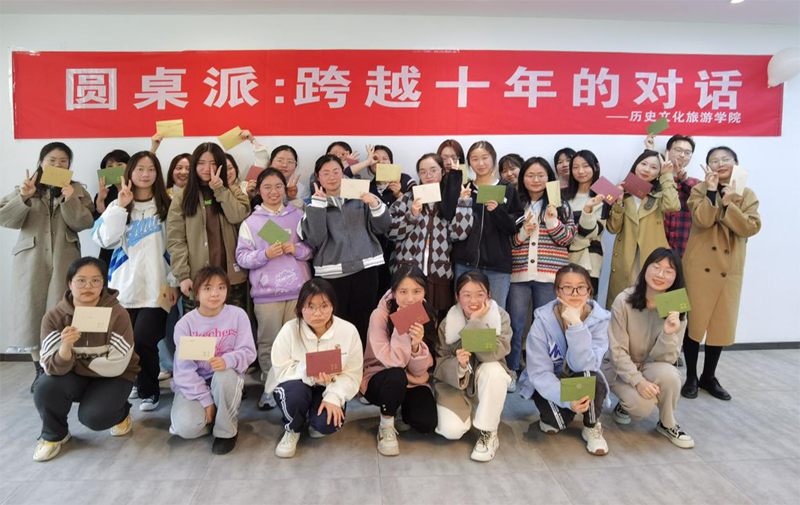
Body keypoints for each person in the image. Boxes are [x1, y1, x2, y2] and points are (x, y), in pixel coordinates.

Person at [0, 142, 94, 392]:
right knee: (30, 311)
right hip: (30, 259)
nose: (57, 164)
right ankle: (39, 370)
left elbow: (84, 222)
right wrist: (24, 197)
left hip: (65, 257)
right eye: (52, 160)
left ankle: (61, 365)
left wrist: (70, 199)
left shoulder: (77, 190)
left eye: (63, 161)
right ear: (41, 162)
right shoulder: (25, 188)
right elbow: (4, 218)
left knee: (62, 311)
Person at [92, 151, 177, 411]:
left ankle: (149, 391)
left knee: (144, 340)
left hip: (158, 287)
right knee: (125, 343)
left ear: (157, 173)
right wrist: (120, 206)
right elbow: (106, 240)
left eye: (151, 169)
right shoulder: (117, 206)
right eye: (140, 168)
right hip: (124, 288)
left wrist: (173, 280)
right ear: (130, 172)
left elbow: (176, 246)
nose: (145, 174)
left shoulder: (167, 205)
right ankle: (133, 383)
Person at [32, 257, 139, 462]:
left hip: (113, 377)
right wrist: (66, 348)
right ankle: (54, 435)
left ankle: (121, 412)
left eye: (95, 281)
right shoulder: (54, 318)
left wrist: (74, 361)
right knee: (45, 387)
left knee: (94, 417)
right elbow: (50, 366)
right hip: (73, 375)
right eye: (81, 281)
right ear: (70, 283)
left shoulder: (118, 314)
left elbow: (117, 363)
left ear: (103, 284)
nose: (88, 286)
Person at [680, 147, 761, 402]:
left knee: (720, 324)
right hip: (698, 267)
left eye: (726, 159)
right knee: (693, 323)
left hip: (729, 270)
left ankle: (709, 376)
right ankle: (691, 376)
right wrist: (713, 192)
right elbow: (702, 220)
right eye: (714, 160)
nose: (720, 163)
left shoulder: (747, 194)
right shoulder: (699, 190)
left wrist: (729, 204)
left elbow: (750, 227)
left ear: (736, 163)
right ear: (708, 167)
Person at [235, 168, 313, 410]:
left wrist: (296, 249)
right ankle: (270, 389)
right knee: (269, 343)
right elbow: (242, 258)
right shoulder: (251, 222)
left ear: (285, 188)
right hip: (266, 295)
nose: (273, 191)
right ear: (259, 191)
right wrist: (264, 254)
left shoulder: (298, 215)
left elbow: (312, 249)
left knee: (298, 341)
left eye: (278, 186)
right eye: (267, 187)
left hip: (298, 292)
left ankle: (295, 387)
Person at [603, 248, 695, 449]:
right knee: (642, 406)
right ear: (646, 268)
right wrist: (639, 382)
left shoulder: (676, 306)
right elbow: (617, 351)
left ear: (676, 277)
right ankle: (624, 405)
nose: (660, 275)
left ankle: (667, 423)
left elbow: (668, 359)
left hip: (651, 365)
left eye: (669, 271)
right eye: (656, 267)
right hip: (618, 367)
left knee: (671, 376)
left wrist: (668, 333)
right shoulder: (624, 300)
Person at [518, 264, 610, 455]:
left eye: (581, 287)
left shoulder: (600, 320)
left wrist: (576, 326)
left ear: (589, 290)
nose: (575, 293)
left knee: (591, 376)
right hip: (551, 381)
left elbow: (587, 365)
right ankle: (560, 413)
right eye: (567, 287)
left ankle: (591, 426)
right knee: (558, 422)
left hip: (581, 378)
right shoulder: (543, 320)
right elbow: (539, 372)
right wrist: (567, 401)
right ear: (557, 291)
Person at [266, 279, 364, 458]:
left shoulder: (348, 331)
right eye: (310, 306)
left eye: (324, 306)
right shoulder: (289, 330)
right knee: (295, 395)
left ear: (333, 306)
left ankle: (312, 418)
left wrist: (334, 396)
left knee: (327, 424)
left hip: (329, 386)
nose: (317, 313)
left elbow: (352, 374)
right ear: (300, 308)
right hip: (296, 385)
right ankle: (292, 428)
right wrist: (308, 372)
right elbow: (281, 369)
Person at [300, 154, 391, 344]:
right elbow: (316, 239)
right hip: (332, 273)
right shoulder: (311, 204)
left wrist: (374, 204)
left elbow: (382, 227)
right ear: (318, 177)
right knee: (335, 324)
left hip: (366, 268)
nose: (332, 177)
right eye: (326, 173)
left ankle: (362, 360)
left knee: (364, 321)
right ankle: (338, 360)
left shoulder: (361, 196)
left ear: (343, 174)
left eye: (336, 171)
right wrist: (318, 207)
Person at [169, 267, 256, 454]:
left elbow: (248, 352)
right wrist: (206, 400)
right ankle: (218, 414)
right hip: (195, 383)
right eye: (208, 288)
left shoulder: (238, 315)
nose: (215, 294)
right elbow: (184, 370)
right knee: (186, 428)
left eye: (221, 288)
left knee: (225, 376)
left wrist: (227, 360)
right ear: (197, 292)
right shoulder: (185, 324)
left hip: (225, 377)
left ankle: (226, 431)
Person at [507, 157, 575, 392]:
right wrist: (523, 234)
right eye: (530, 175)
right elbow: (507, 242)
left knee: (546, 326)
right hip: (519, 274)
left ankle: (543, 371)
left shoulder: (560, 204)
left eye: (540, 175)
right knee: (515, 324)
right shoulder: (516, 204)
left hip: (549, 276)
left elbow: (568, 239)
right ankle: (512, 368)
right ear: (522, 178)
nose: (535, 180)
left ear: (549, 177)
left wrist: (553, 221)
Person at [433, 271, 512, 462]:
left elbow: (492, 354)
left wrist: (475, 322)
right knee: (452, 431)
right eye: (466, 295)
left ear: (489, 295)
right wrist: (459, 366)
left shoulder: (500, 317)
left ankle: (488, 431)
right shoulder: (448, 322)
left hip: (484, 377)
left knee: (494, 370)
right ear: (457, 297)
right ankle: (475, 412)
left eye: (480, 294)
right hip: (454, 384)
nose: (473, 300)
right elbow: (441, 363)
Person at [362, 267, 439, 456]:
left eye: (417, 291)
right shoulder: (379, 315)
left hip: (412, 379)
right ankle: (386, 425)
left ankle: (401, 410)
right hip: (381, 376)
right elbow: (393, 362)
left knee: (426, 423)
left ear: (424, 292)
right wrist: (402, 329)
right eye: (403, 292)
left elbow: (420, 371)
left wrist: (416, 346)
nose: (410, 298)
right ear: (394, 292)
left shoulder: (427, 314)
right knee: (396, 376)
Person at [166, 142, 251, 313]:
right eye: (201, 163)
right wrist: (183, 276)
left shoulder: (233, 191)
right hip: (197, 279)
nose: (207, 169)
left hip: (231, 278)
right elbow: (176, 240)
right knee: (198, 329)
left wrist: (220, 189)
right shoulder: (182, 197)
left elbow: (238, 215)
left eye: (213, 163)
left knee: (232, 327)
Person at [388, 153, 473, 318]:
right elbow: (390, 232)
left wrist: (463, 202)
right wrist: (412, 216)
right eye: (423, 171)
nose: (428, 175)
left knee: (435, 320)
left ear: (442, 172)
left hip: (439, 272)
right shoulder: (407, 199)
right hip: (408, 272)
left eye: (433, 170)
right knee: (407, 322)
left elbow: (459, 234)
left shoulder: (450, 200)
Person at [450, 141, 524, 309]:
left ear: (493, 159)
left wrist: (497, 211)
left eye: (485, 158)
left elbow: (514, 226)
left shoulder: (507, 189)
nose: (481, 163)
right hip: (465, 263)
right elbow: (449, 219)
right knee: (465, 312)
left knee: (495, 313)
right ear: (469, 163)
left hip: (497, 266)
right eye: (475, 159)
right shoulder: (465, 188)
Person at [605, 149, 680, 309]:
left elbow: (673, 205)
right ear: (635, 165)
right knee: (622, 306)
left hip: (655, 257)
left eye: (654, 167)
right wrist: (618, 202)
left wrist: (667, 175)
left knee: (663, 309)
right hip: (626, 258)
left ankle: (670, 326)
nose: (647, 169)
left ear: (659, 172)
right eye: (643, 164)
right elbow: (612, 228)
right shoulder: (621, 191)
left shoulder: (661, 194)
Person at [645, 134, 701, 258]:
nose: (682, 155)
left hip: (684, 251)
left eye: (687, 152)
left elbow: (703, 202)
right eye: (678, 150)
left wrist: (685, 180)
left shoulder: (696, 184)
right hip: (654, 250)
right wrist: (649, 152)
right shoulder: (653, 181)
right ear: (667, 152)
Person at [563, 150, 608, 296]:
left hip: (589, 260)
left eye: (585, 166)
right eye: (575, 167)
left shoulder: (604, 195)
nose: (580, 171)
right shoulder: (563, 195)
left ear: (596, 167)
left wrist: (587, 209)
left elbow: (591, 231)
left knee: (585, 302)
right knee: (561, 301)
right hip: (562, 259)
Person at [93, 149, 130, 267]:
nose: (114, 169)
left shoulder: (137, 191)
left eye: (119, 165)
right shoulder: (104, 193)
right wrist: (100, 200)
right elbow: (102, 225)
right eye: (110, 166)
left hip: (131, 244)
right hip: (109, 249)